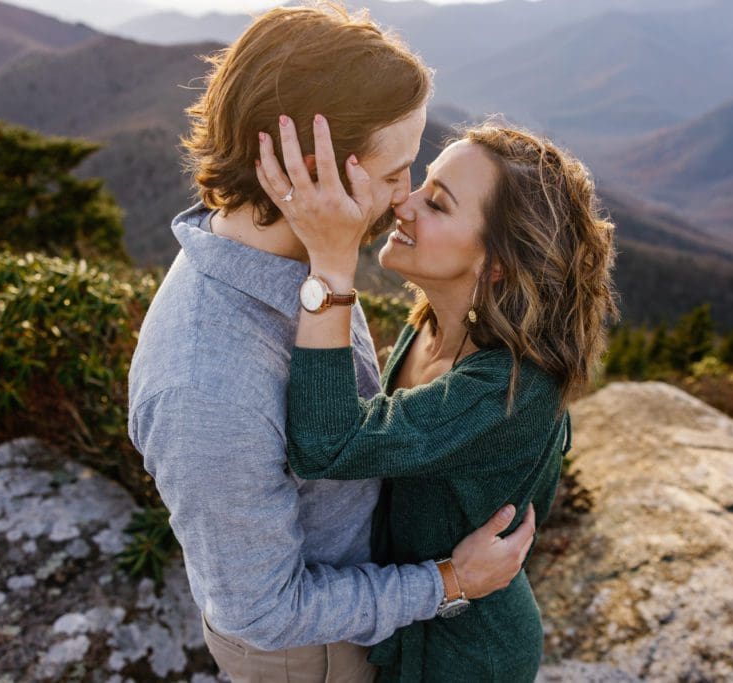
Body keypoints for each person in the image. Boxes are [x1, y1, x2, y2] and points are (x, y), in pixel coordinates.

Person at [126, 5, 536, 682]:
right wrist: (450, 581)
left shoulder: (310, 267)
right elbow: (264, 610)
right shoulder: (206, 384)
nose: (406, 198)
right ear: (311, 172)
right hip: (311, 656)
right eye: (393, 172)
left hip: (354, 615)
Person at [254, 114, 619, 681]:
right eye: (422, 183)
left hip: (469, 655)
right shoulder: (429, 324)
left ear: (496, 264)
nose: (405, 204)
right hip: (410, 617)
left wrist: (330, 265)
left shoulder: (510, 390)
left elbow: (326, 446)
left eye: (438, 204)